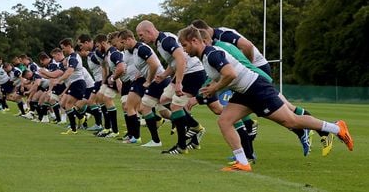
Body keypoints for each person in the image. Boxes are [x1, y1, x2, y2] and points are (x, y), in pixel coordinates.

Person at [177, 25, 353, 172]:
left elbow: (229, 74)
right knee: (224, 121)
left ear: (195, 41)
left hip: (256, 88)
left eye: (184, 45)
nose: (184, 50)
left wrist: (214, 88)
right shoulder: (206, 57)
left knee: (291, 121)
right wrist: (201, 95)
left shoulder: (212, 54)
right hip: (244, 92)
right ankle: (243, 162)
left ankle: (337, 128)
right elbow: (220, 77)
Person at [192, 19, 333, 157]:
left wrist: (248, 68)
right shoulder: (212, 48)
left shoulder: (222, 37)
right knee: (234, 113)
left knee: (286, 112)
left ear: (202, 36)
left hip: (257, 73)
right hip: (247, 77)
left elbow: (247, 47)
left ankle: (321, 130)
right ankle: (246, 154)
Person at [136, 20, 206, 154]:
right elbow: (173, 62)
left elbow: (181, 59)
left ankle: (182, 145)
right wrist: (164, 75)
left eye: (141, 35)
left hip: (193, 73)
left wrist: (178, 82)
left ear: (149, 31)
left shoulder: (166, 40)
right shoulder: (161, 41)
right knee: (163, 100)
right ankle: (194, 127)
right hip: (185, 72)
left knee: (175, 106)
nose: (141, 39)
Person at [118, 29, 169, 145]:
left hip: (159, 80)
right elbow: (145, 65)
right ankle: (154, 140)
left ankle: (192, 126)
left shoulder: (141, 48)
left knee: (173, 108)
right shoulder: (135, 50)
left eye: (123, 42)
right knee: (143, 108)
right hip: (155, 81)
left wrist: (148, 80)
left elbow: (155, 64)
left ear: (129, 39)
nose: (123, 46)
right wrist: (141, 74)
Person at [56, 38, 88, 134]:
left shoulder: (73, 57)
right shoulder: (72, 57)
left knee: (69, 105)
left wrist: (59, 80)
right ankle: (80, 119)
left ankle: (74, 128)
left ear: (69, 46)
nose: (63, 51)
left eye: (63, 48)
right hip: (75, 83)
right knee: (67, 104)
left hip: (78, 83)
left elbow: (69, 71)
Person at [76, 34, 106, 132]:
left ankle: (103, 125)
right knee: (95, 102)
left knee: (99, 102)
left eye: (81, 46)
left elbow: (105, 65)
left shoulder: (94, 55)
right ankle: (102, 125)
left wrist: (107, 80)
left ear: (86, 43)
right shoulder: (92, 55)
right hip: (98, 81)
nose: (80, 48)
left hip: (101, 80)